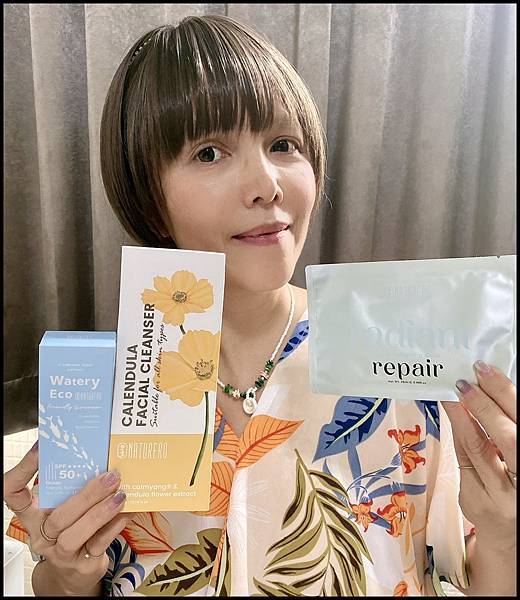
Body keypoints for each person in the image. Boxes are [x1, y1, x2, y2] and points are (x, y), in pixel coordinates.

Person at [4, 15, 516, 597]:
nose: (266, 184)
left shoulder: (400, 356)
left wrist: (504, 536)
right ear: (149, 198)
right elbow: (59, 583)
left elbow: (471, 569)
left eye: (283, 145)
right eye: (209, 153)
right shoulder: (105, 389)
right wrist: (69, 574)